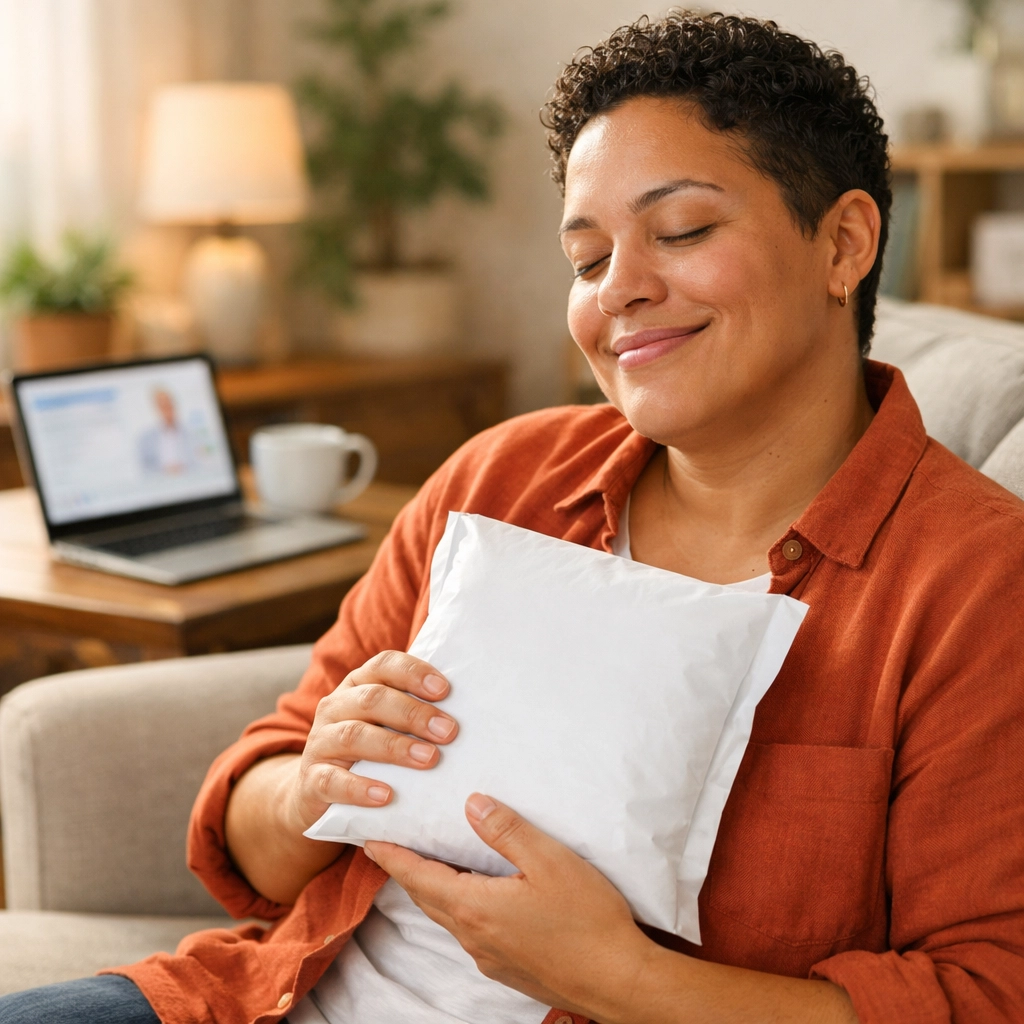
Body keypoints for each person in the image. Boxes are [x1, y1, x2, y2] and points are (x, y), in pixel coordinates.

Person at [3, 12, 1022, 1024]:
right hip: (259, 1001)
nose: (618, 290)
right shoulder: (503, 479)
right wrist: (311, 784)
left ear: (842, 243)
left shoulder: (972, 579)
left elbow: (988, 994)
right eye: (586, 258)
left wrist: (618, 980)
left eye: (682, 232)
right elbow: (256, 822)